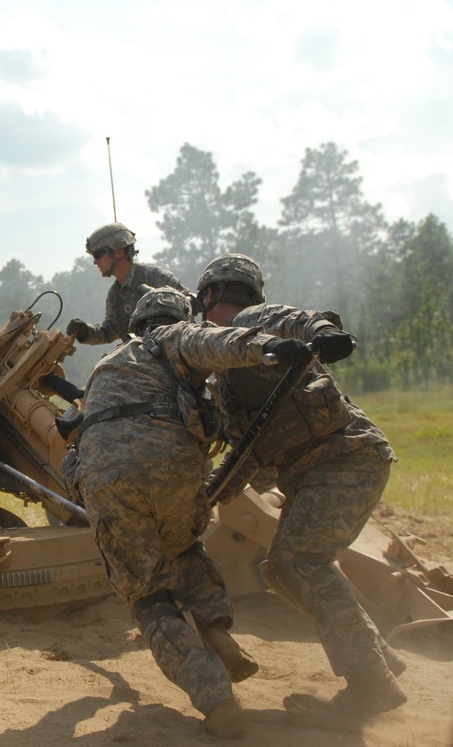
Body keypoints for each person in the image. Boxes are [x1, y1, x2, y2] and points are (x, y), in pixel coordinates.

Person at [74, 286, 313, 738]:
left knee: (150, 598)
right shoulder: (175, 336)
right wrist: (272, 348)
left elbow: (82, 437)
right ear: (175, 317)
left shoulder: (105, 366)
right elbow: (218, 343)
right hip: (173, 469)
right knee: (184, 550)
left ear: (136, 324)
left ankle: (216, 701)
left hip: (105, 480)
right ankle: (218, 633)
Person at [196, 253, 408, 716]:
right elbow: (247, 457)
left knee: (301, 561)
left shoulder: (253, 323)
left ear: (211, 294)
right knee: (280, 569)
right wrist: (206, 498)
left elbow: (296, 320)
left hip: (344, 457)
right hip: (316, 472)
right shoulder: (229, 373)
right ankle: (376, 659)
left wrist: (323, 333)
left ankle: (371, 684)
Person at [66, 222, 190, 345]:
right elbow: (110, 330)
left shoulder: (152, 276)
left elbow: (188, 302)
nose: (95, 262)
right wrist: (85, 331)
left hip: (174, 350)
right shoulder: (114, 295)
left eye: (97, 255)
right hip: (143, 360)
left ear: (118, 252)